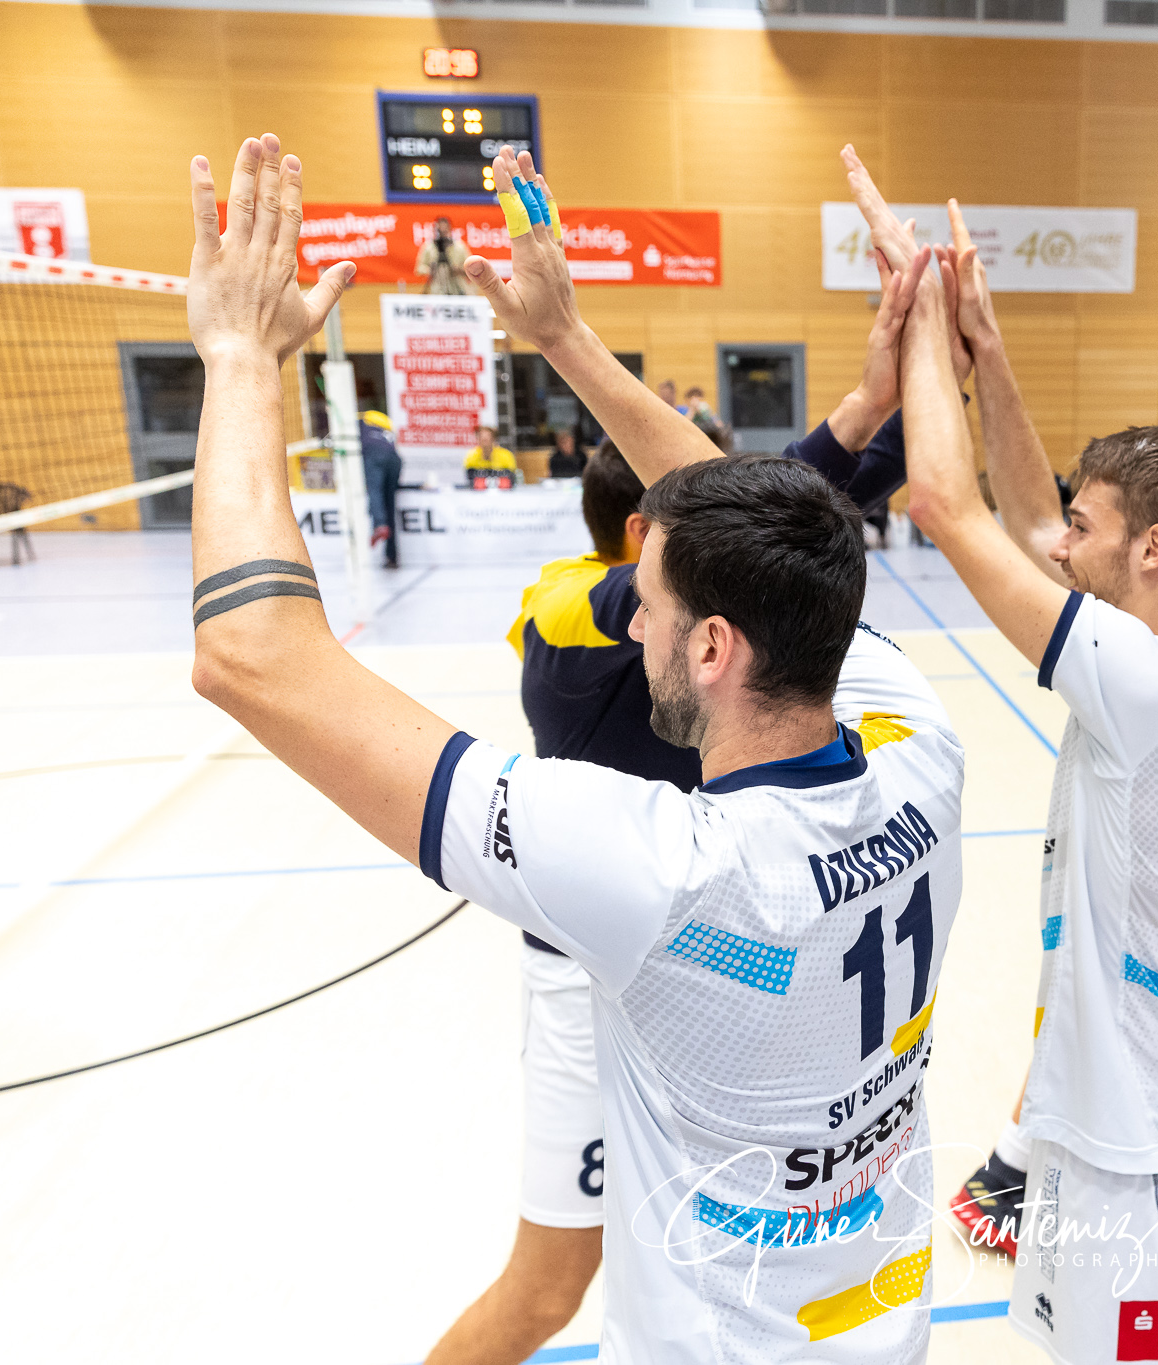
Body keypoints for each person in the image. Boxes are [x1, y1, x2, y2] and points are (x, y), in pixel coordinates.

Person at [187, 135, 966, 1362]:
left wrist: (237, 359)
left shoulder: (653, 869)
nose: (629, 613)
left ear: (711, 648)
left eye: (647, 600)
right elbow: (745, 516)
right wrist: (562, 335)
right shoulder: (924, 750)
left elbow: (252, 654)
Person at [849, 153, 1158, 1365]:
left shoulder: (1144, 687)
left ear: (1148, 550)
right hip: (1110, 1124)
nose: (1059, 544)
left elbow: (945, 504)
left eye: (1089, 531)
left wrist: (921, 313)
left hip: (1135, 1148)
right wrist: (988, 356)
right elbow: (1038, 522)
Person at [423, 441, 694, 1365]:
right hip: (584, 985)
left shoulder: (685, 629)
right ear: (640, 536)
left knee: (690, 1263)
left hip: (688, 974)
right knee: (548, 1286)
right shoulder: (567, 604)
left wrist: (868, 411)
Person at [360, 409, 403, 569]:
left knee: (374, 490)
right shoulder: (386, 425)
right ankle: (391, 557)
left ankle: (379, 524)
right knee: (389, 505)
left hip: (374, 455)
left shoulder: (359, 422)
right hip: (394, 459)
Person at [417, 216, 470, 294]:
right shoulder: (428, 247)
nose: (442, 234)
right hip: (436, 290)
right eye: (440, 231)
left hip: (456, 288)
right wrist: (430, 270)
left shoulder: (460, 247)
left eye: (445, 230)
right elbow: (419, 268)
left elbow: (470, 269)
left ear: (449, 229)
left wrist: (458, 270)